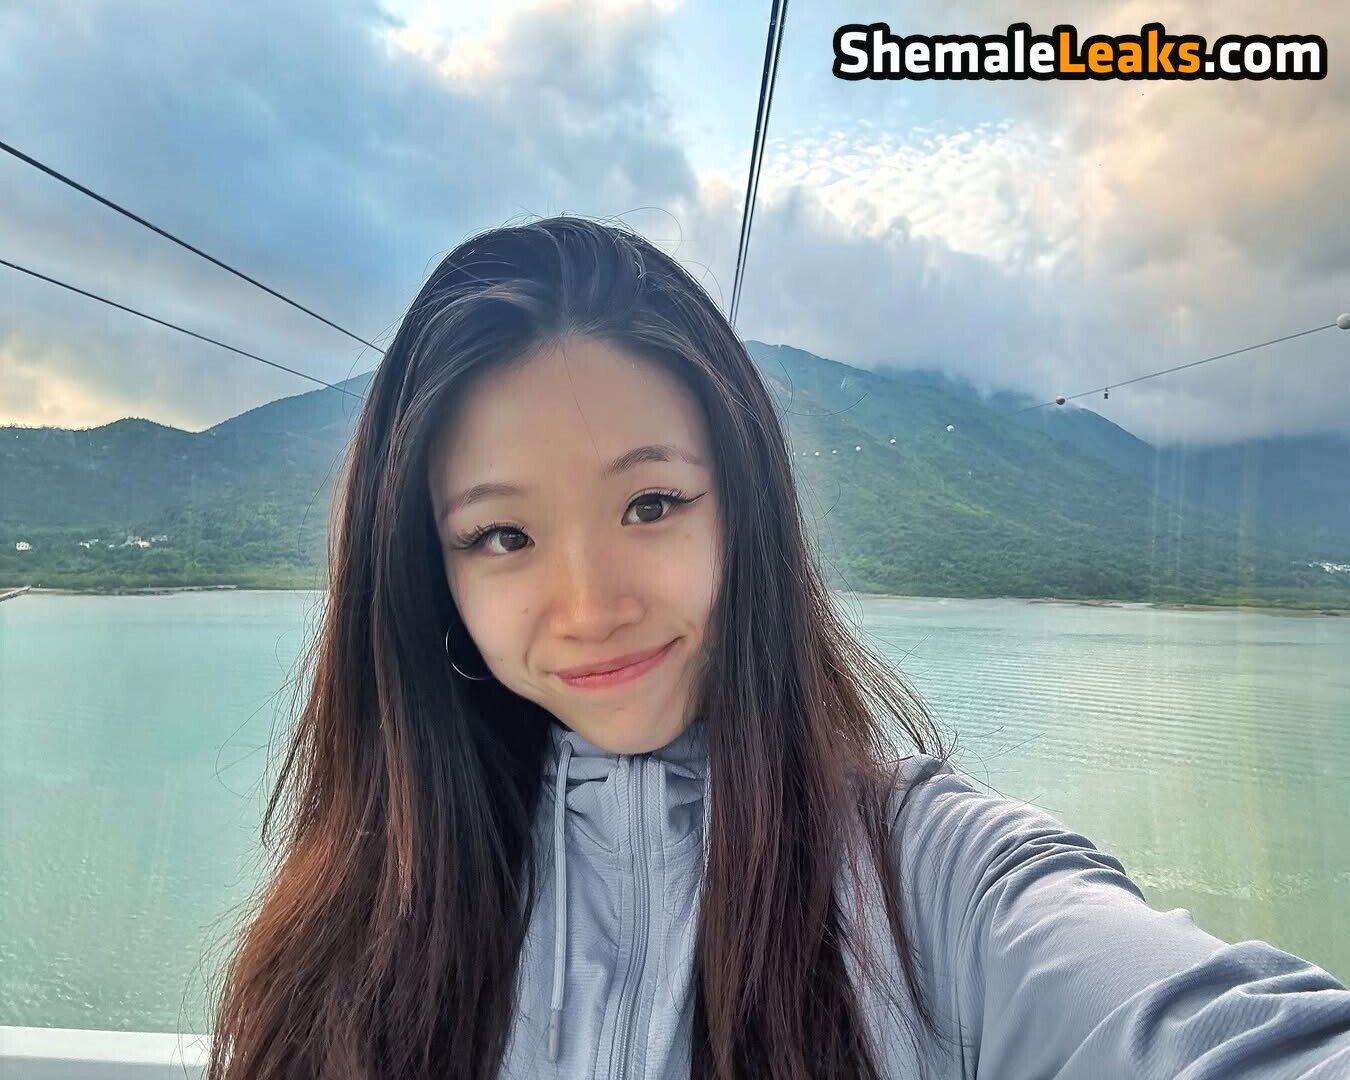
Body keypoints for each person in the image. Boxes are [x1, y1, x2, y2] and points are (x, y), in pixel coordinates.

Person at [205, 216, 1350, 1078]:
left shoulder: (934, 884)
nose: (589, 605)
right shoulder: (363, 916)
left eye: (652, 504)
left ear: (744, 510)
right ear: (430, 577)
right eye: (503, 536)